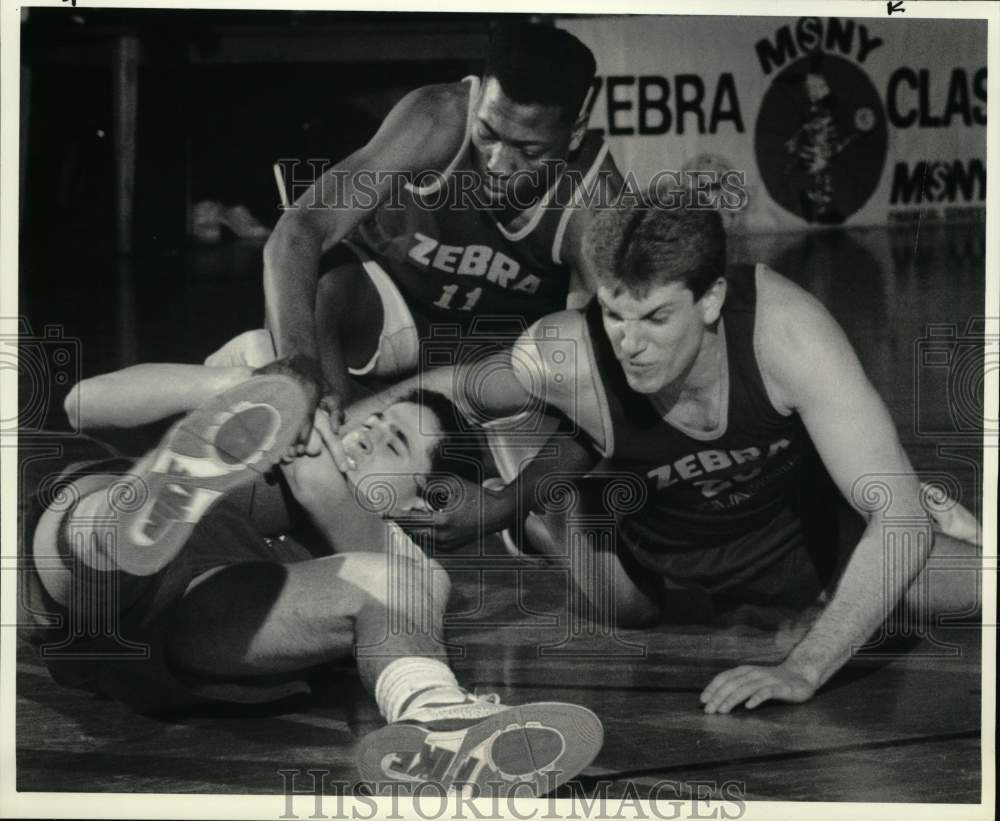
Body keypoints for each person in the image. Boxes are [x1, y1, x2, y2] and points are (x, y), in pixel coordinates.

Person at [369, 202, 983, 713]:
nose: (630, 343)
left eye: (657, 316)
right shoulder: (565, 352)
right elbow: (453, 385)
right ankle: (539, 514)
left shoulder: (787, 332)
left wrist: (805, 668)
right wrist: (320, 414)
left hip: (798, 544)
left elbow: (898, 517)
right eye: (613, 313)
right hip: (645, 547)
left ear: (711, 298)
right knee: (624, 610)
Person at [18, 361, 604, 796]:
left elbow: (336, 502)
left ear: (422, 505)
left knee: (392, 586)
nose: (362, 435)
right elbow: (82, 402)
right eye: (370, 422)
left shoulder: (405, 558)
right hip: (73, 536)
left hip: (194, 617)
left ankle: (441, 728)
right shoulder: (268, 434)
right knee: (107, 526)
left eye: (390, 443)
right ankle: (130, 518)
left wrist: (308, 435)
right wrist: (232, 387)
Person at [211, 22, 621, 451]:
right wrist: (296, 360)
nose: (499, 163)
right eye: (487, 134)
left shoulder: (595, 199)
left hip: (496, 352)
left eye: (529, 150)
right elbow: (299, 229)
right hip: (397, 309)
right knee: (318, 291)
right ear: (479, 98)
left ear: (573, 134)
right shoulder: (436, 116)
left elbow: (609, 361)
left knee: (573, 352)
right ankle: (327, 427)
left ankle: (370, 434)